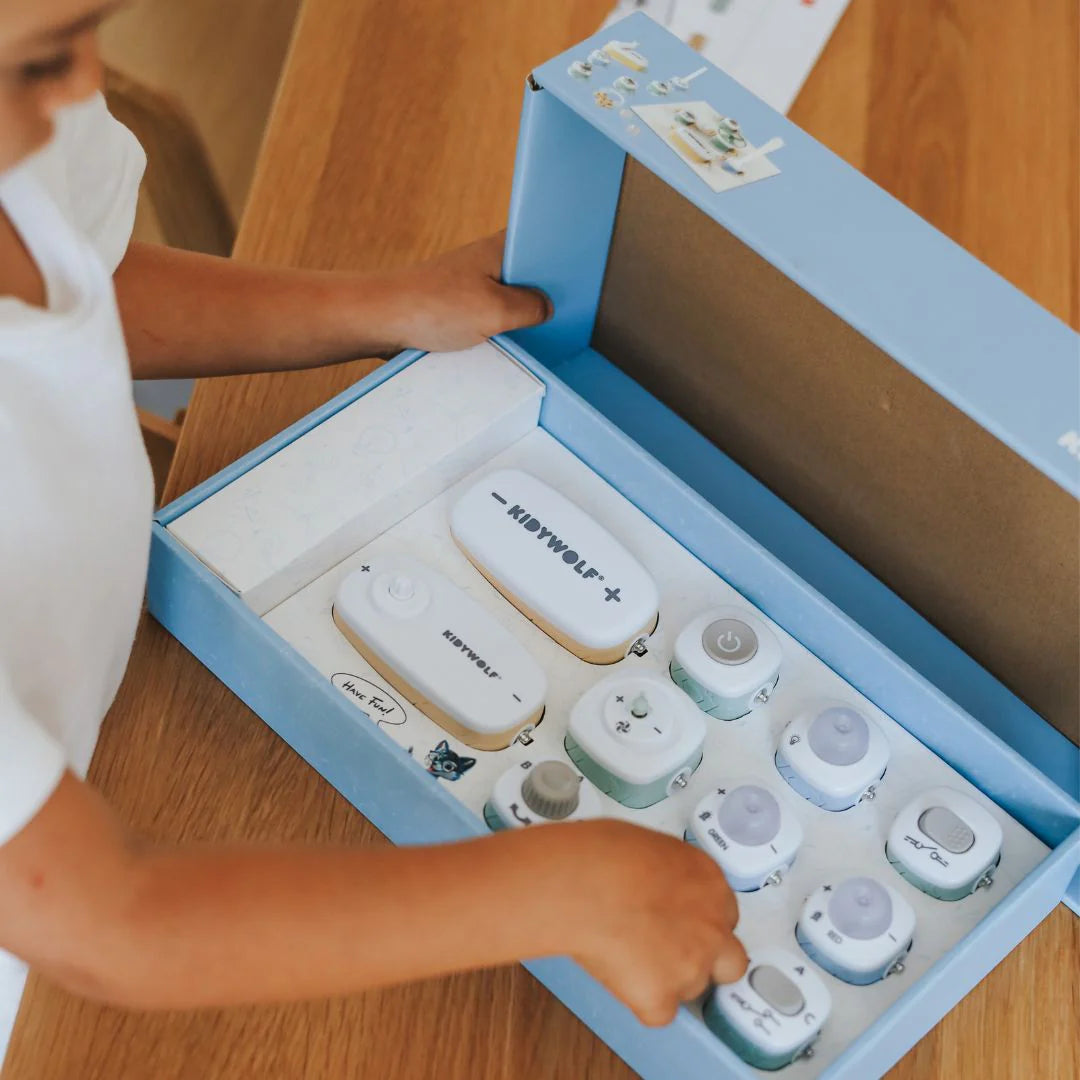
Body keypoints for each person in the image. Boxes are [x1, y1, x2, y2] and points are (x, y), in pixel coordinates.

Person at [0, 0, 747, 1052]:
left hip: (88, 717)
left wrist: (380, 307)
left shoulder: (24, 124)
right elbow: (109, 924)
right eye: (37, 62)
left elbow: (83, 281)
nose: (89, 83)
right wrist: (562, 891)